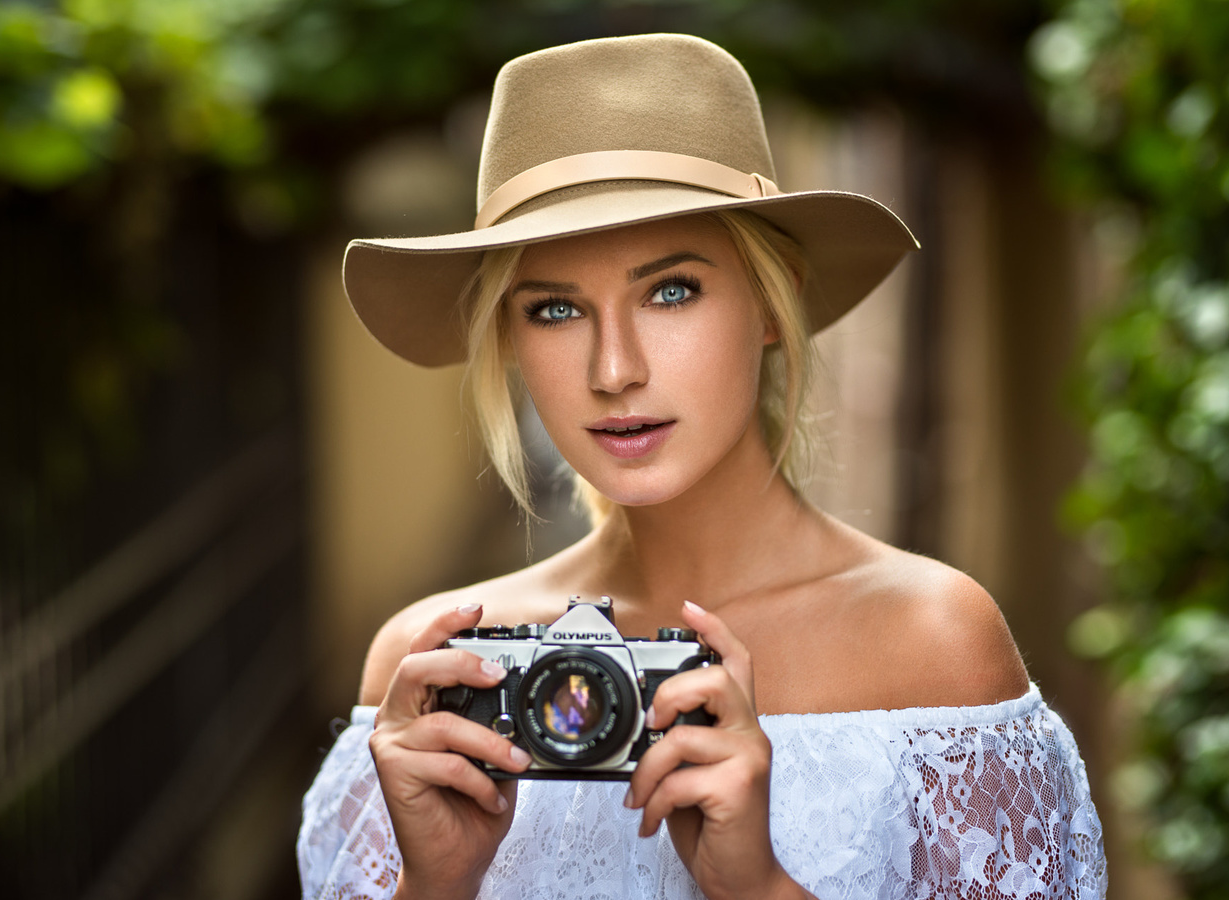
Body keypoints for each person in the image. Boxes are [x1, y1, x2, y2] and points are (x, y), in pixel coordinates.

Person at [298, 33, 1106, 900]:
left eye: (671, 291)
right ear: (509, 339)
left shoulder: (930, 644)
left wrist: (758, 886)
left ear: (772, 299)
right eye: (556, 308)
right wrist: (437, 885)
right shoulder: (439, 675)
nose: (615, 370)